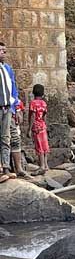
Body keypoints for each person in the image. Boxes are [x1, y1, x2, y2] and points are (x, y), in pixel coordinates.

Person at [0, 42, 20, 182]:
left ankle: (6, 168)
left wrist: (15, 107)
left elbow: (13, 89)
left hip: (7, 108)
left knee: (6, 138)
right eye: (1, 50)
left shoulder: (7, 69)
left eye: (4, 51)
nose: (3, 53)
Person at [27, 84, 49, 175]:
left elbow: (32, 116)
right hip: (43, 125)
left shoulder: (33, 103)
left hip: (36, 126)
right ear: (43, 94)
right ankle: (46, 165)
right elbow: (45, 115)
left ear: (33, 93)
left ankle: (42, 166)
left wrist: (29, 128)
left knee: (39, 146)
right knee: (45, 145)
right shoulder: (44, 103)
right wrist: (45, 124)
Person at [10, 99, 27, 177]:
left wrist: (18, 112)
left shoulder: (17, 101)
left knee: (15, 142)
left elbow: (21, 114)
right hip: (8, 117)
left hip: (14, 123)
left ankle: (18, 168)